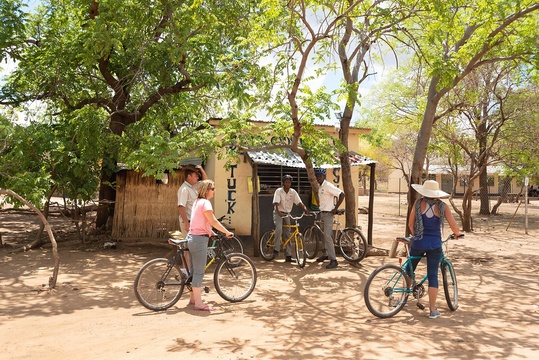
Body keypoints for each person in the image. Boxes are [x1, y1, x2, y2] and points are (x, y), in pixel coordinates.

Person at [408, 179, 462, 319]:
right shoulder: (443, 207)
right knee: (433, 276)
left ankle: (402, 297)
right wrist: (457, 233)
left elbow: (410, 224)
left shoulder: (418, 203)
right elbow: (453, 226)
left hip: (418, 243)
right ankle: (432, 310)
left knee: (409, 269)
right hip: (434, 245)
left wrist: (417, 236)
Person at [187, 180, 234, 311]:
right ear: (207, 190)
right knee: (199, 272)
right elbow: (212, 221)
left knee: (193, 271)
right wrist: (226, 232)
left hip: (191, 238)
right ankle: (199, 304)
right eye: (212, 188)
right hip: (199, 241)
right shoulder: (206, 203)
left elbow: (202, 223)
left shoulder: (197, 202)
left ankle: (192, 299)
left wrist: (212, 233)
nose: (214, 191)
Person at [272, 174, 309, 262]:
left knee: (288, 234)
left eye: (289, 182)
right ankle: (276, 249)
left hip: (287, 214)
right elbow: (276, 203)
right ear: (283, 183)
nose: (288, 184)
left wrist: (305, 209)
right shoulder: (279, 191)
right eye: (286, 182)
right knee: (279, 229)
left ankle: (288, 255)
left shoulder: (293, 192)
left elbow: (299, 202)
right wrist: (278, 212)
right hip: (278, 212)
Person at [314, 168, 345, 269]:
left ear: (324, 176)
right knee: (323, 235)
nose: (318, 178)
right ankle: (325, 254)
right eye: (317, 176)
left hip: (328, 214)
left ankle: (334, 260)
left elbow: (342, 194)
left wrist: (335, 208)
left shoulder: (328, 185)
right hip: (322, 213)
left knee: (327, 236)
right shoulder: (320, 187)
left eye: (320, 176)